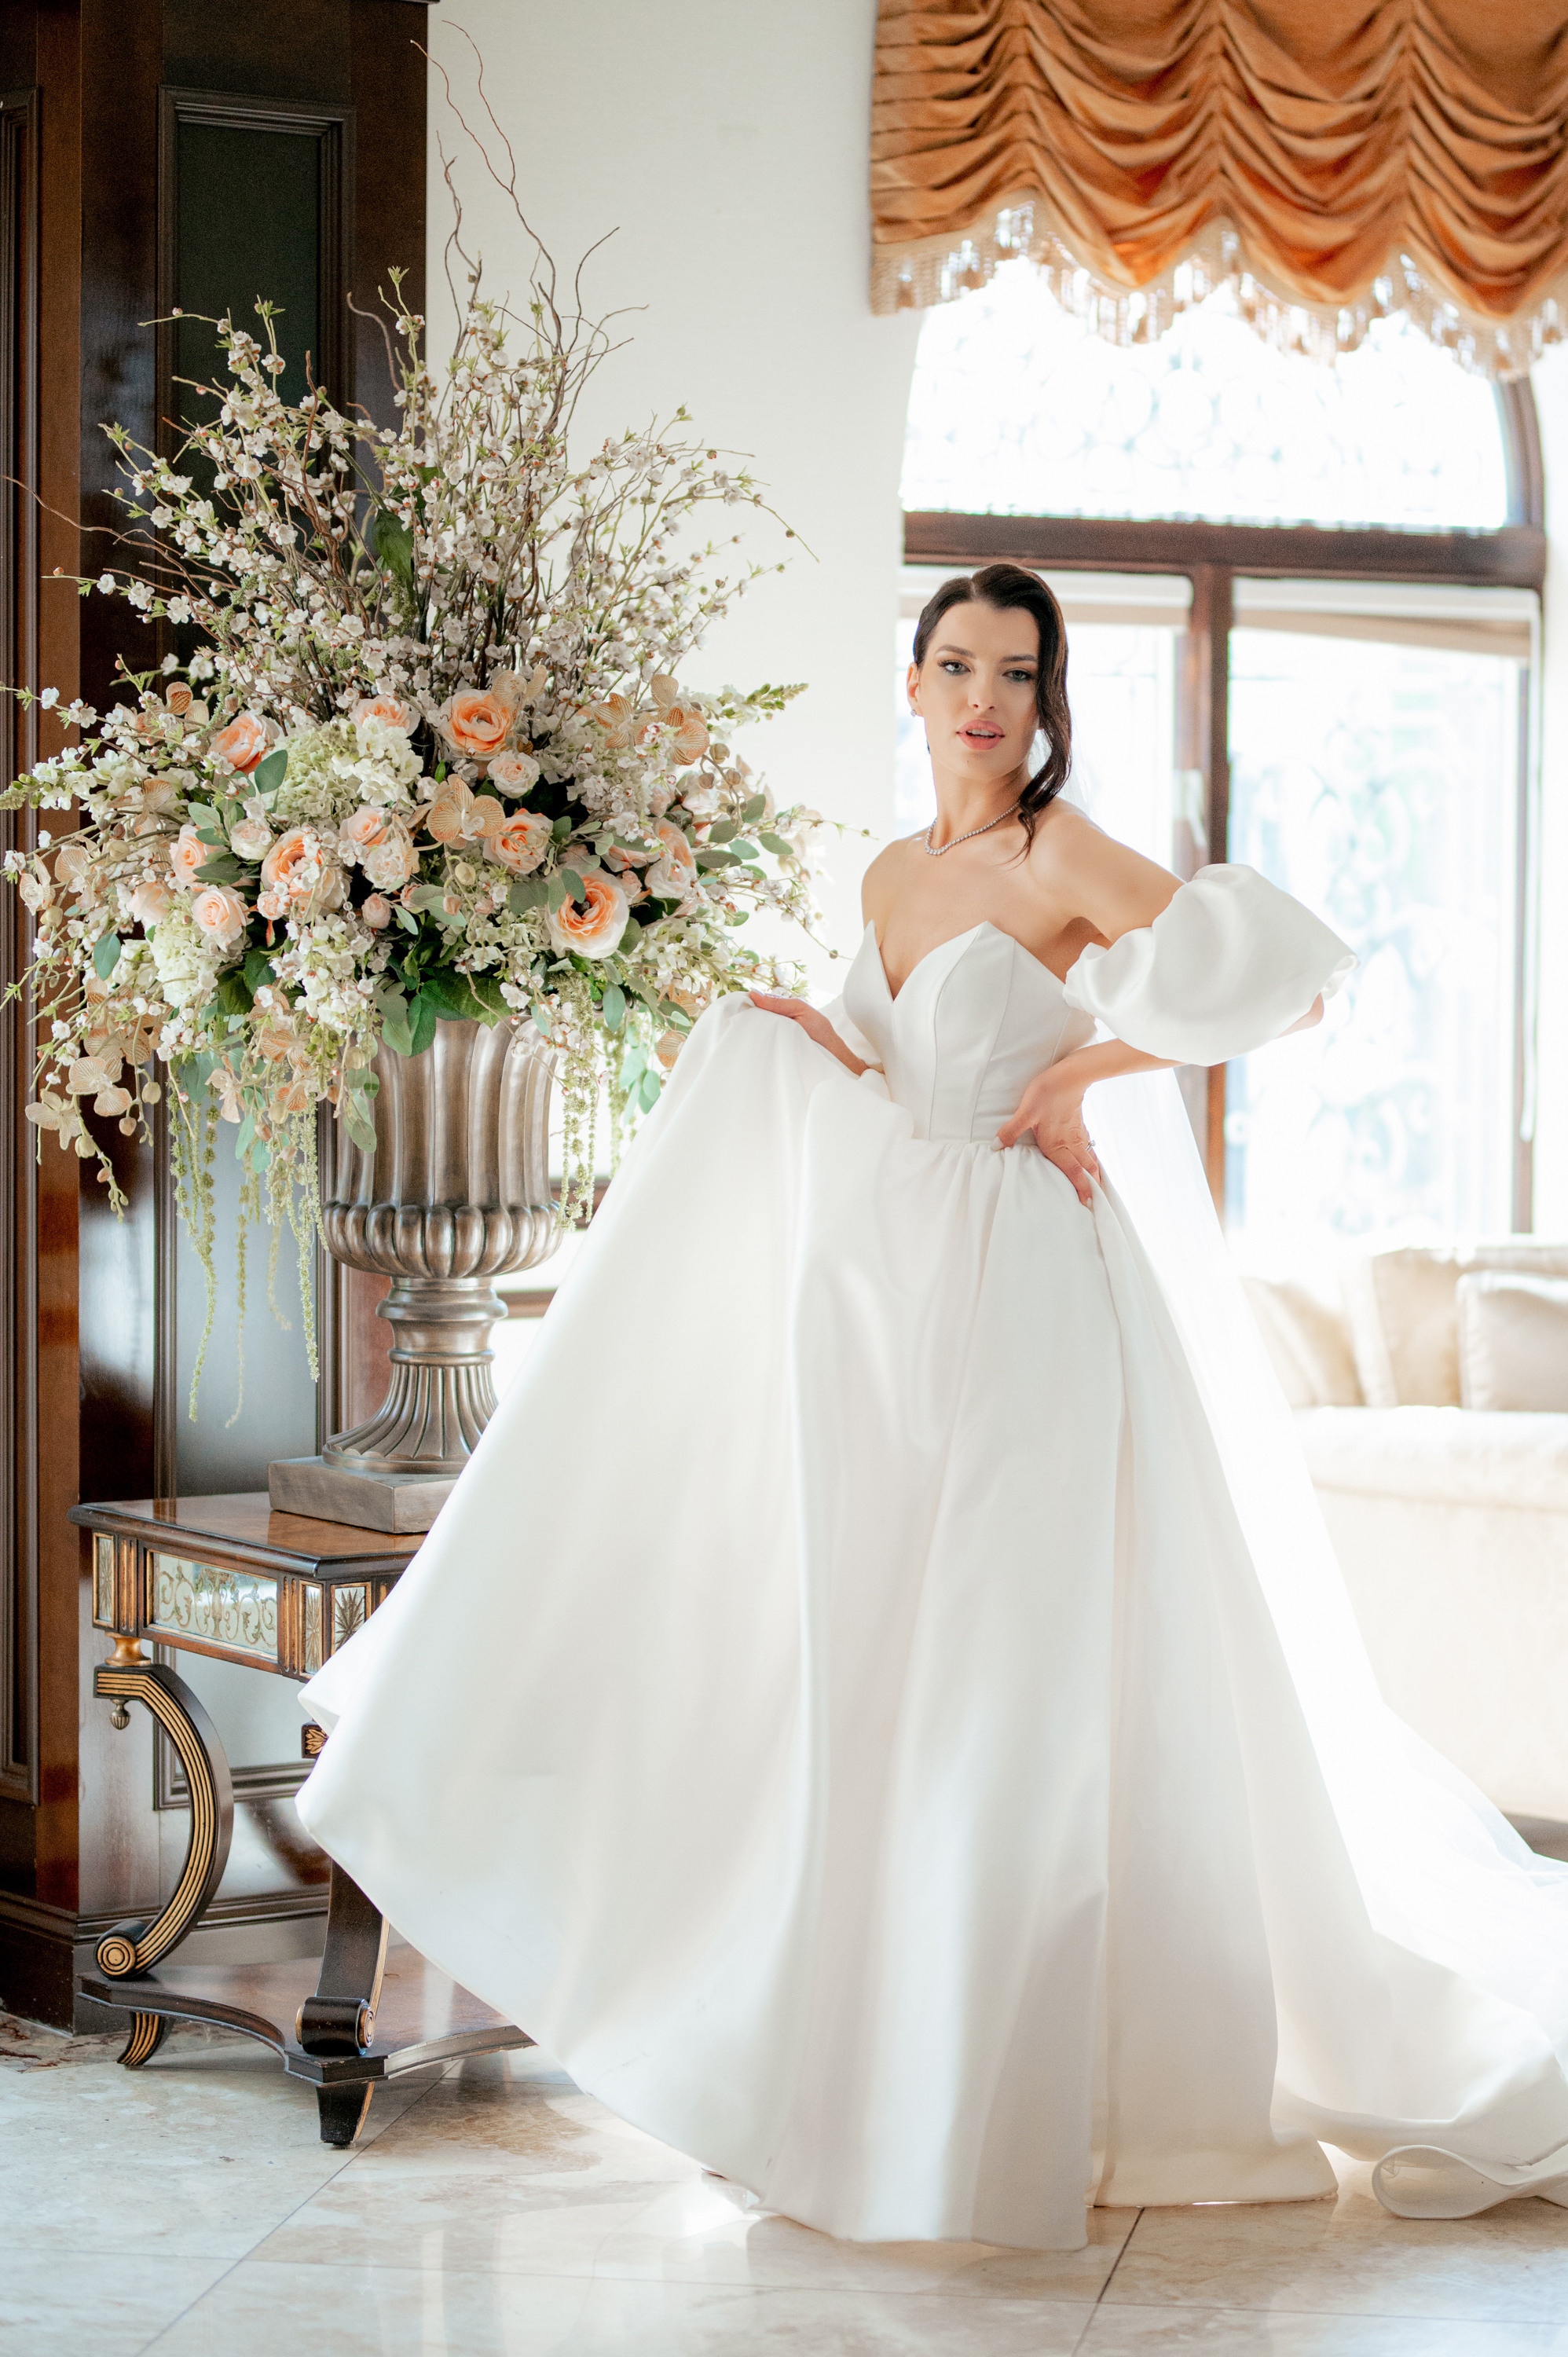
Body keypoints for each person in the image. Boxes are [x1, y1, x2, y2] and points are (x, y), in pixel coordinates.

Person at [298, 563, 1568, 2250]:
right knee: (883, 1669)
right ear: (910, 684)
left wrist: (1084, 1070)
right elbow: (889, 1064)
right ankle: (876, 2080)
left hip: (1028, 1292)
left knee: (1003, 1672)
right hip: (889, 1305)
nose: (983, 699)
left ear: (1046, 700)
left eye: (1016, 674)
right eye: (957, 665)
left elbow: (1285, 980)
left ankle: (1018, 2097)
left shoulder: (1059, 854)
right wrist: (800, 1043)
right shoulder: (891, 870)